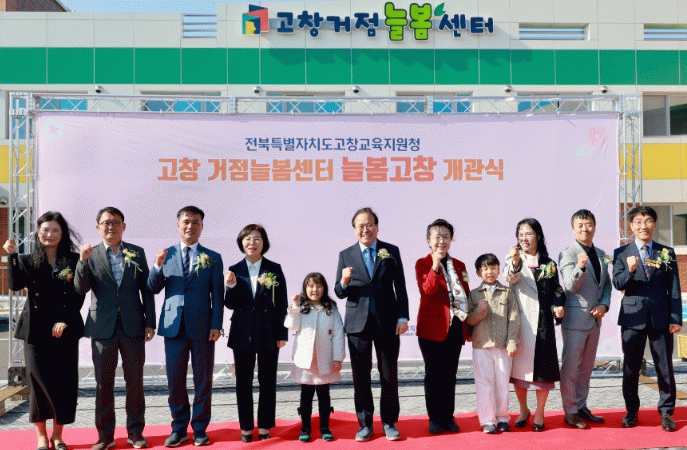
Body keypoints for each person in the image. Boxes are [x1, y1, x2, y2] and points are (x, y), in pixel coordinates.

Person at [74, 207, 156, 450]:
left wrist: (150, 322)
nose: (111, 227)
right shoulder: (91, 254)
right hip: (102, 327)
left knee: (135, 382)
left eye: (115, 222)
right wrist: (82, 262)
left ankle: (136, 433)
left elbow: (146, 290)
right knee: (103, 384)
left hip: (133, 326)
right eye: (106, 223)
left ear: (124, 226)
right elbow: (80, 289)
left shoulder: (136, 253)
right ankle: (105, 436)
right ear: (98, 227)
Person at [4, 211, 85, 450]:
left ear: (62, 234)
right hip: (35, 330)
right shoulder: (28, 260)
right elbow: (15, 284)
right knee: (38, 383)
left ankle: (58, 436)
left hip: (64, 329)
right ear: (38, 232)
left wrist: (66, 319)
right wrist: (12, 256)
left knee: (64, 383)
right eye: (45, 230)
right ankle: (41, 436)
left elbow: (78, 293)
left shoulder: (72, 260)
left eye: (55, 230)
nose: (50, 234)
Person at [148, 206, 224, 447]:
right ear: (178, 225)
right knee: (175, 380)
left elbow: (218, 295)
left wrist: (217, 325)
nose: (190, 226)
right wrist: (157, 266)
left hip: (203, 326)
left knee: (203, 379)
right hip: (173, 326)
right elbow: (152, 288)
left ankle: (200, 428)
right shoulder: (166, 254)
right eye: (186, 222)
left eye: (196, 222)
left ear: (202, 226)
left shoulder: (213, 257)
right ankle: (179, 428)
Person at [334, 207, 409, 441]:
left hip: (387, 322)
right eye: (360, 226)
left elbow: (401, 287)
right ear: (354, 230)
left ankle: (389, 422)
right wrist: (344, 281)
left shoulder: (391, 251)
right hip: (358, 324)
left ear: (377, 227)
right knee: (360, 376)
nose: (365, 229)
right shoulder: (346, 254)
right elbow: (339, 292)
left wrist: (402, 317)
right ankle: (365, 424)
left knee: (389, 374)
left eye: (369, 225)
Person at [612, 205, 682, 432]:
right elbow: (618, 284)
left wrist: (675, 318)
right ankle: (631, 411)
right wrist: (630, 270)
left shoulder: (666, 252)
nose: (644, 226)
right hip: (632, 318)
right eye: (639, 222)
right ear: (631, 226)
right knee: (631, 368)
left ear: (655, 224)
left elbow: (674, 287)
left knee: (665, 367)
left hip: (661, 318)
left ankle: (667, 412)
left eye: (648, 221)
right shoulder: (621, 253)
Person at [224, 224, 288, 442]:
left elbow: (282, 303)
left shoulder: (274, 269)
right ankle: (246, 426)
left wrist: (282, 333)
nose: (252, 243)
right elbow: (230, 304)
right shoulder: (234, 269)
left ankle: (265, 425)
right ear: (241, 243)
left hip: (269, 331)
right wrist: (231, 286)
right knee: (243, 382)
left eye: (257, 239)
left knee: (267, 380)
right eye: (248, 239)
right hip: (242, 331)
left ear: (264, 243)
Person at [503, 218, 565, 432]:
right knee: (520, 372)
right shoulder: (513, 259)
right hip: (522, 323)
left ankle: (540, 412)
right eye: (520, 234)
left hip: (543, 323)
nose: (524, 238)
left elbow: (557, 289)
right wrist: (515, 261)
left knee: (543, 371)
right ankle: (523, 409)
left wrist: (558, 305)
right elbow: (510, 277)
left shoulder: (548, 263)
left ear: (538, 236)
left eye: (528, 233)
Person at [558, 209, 611, 429]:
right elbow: (571, 285)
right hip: (575, 319)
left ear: (594, 227)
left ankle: (581, 406)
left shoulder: (601, 253)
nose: (585, 229)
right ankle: (570, 411)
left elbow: (606, 284)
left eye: (588, 224)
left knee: (586, 368)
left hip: (595, 319)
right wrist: (580, 267)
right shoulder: (567, 254)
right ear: (573, 229)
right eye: (580, 225)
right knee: (570, 368)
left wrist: (604, 304)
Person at [415, 218, 469, 434]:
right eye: (437, 237)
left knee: (449, 374)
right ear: (429, 240)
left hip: (455, 327)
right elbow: (427, 290)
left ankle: (448, 417)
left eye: (446, 236)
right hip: (431, 328)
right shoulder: (422, 263)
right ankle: (434, 418)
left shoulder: (460, 265)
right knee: (434, 375)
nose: (442, 241)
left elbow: (466, 294)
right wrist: (435, 265)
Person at [284, 272, 345, 442]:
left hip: (325, 359)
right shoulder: (301, 308)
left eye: (318, 286)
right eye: (311, 286)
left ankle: (325, 426)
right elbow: (290, 325)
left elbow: (339, 335)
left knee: (324, 395)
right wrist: (294, 307)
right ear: (305, 288)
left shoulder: (331, 309)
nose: (315, 289)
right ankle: (305, 428)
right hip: (305, 361)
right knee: (306, 395)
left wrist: (338, 357)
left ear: (324, 288)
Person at [466, 253, 519, 434]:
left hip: (503, 345)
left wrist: (512, 341)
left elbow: (514, 319)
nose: (489, 272)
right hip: (481, 345)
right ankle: (488, 420)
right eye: (485, 268)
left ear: (498, 270)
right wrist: (479, 312)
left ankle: (503, 418)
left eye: (493, 268)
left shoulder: (508, 292)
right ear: (478, 272)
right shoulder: (474, 294)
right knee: (484, 384)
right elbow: (468, 320)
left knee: (502, 383)